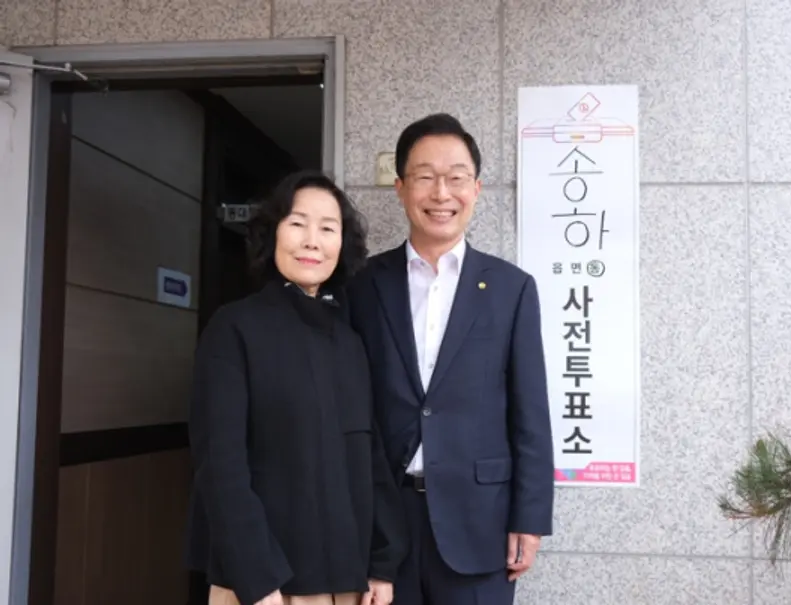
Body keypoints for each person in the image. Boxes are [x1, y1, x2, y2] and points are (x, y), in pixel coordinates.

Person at [345, 114, 555, 605]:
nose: (442, 193)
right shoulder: (363, 285)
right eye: (425, 177)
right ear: (400, 188)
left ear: (476, 189)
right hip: (383, 526)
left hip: (481, 522)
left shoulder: (511, 289)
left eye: (456, 177)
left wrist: (530, 517)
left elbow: (530, 413)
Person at [185, 171, 408, 605]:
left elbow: (371, 458)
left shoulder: (349, 341)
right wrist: (256, 576)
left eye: (327, 228)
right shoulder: (235, 328)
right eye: (297, 223)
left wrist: (383, 563)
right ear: (272, 233)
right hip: (263, 583)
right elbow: (220, 464)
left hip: (346, 578)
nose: (312, 241)